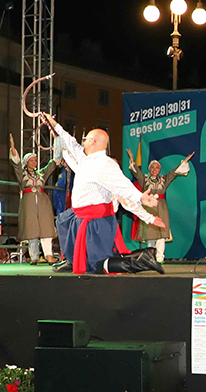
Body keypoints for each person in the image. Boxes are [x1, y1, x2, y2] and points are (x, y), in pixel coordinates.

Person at [40, 113, 166, 275]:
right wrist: (53, 124)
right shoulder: (86, 160)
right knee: (64, 221)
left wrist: (141, 198)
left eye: (85, 138)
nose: (83, 141)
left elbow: (123, 187)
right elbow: (69, 141)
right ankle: (74, 260)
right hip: (79, 217)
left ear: (92, 141)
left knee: (98, 265)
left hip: (97, 221)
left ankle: (140, 261)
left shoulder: (105, 164)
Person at [127, 150, 194, 262]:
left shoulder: (164, 179)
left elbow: (174, 172)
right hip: (149, 207)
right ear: (149, 169)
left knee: (161, 233)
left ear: (159, 169)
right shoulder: (144, 179)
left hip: (161, 207)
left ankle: (160, 257)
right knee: (150, 233)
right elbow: (136, 172)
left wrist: (185, 161)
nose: (154, 169)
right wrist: (132, 159)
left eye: (157, 167)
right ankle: (150, 257)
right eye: (152, 167)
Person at [9, 134, 59, 264]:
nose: (34, 162)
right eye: (32, 160)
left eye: (35, 160)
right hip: (29, 203)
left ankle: (49, 255)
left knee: (46, 228)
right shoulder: (23, 174)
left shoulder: (41, 174)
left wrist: (59, 149)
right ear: (26, 162)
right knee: (32, 230)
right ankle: (34, 256)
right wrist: (14, 152)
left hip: (43, 203)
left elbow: (51, 166)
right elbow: (16, 166)